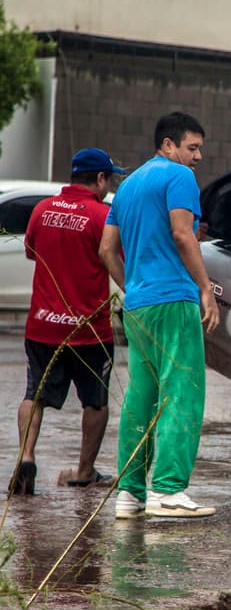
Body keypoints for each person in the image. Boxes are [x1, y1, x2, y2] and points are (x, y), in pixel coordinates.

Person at [99, 112, 221, 520]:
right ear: (168, 145)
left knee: (141, 397)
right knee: (181, 392)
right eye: (192, 147)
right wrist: (206, 288)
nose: (197, 156)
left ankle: (129, 494)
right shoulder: (179, 176)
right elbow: (183, 234)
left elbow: (105, 250)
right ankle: (169, 491)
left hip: (138, 304)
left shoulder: (127, 185)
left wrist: (131, 285)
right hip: (173, 299)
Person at [13, 148, 125, 496]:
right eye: (110, 179)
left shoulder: (42, 210)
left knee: (35, 393)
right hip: (88, 329)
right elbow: (114, 260)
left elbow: (31, 252)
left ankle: (25, 457)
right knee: (96, 402)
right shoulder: (101, 215)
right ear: (100, 179)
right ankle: (84, 471)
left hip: (43, 324)